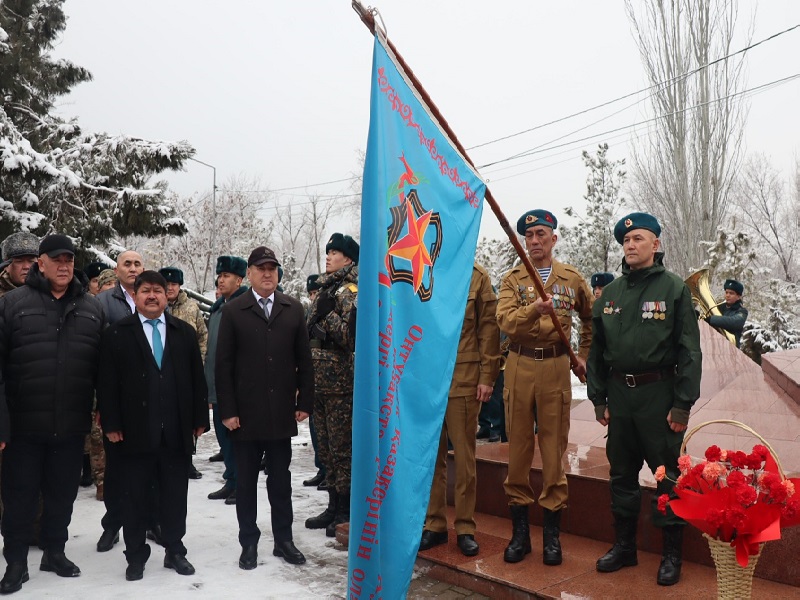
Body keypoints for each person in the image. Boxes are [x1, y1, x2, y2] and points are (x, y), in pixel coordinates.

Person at [588, 212, 702, 586]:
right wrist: (599, 398)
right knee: (621, 472)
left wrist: (682, 403)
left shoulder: (673, 290)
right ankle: (624, 547)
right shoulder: (612, 295)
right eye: (626, 241)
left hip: (659, 395)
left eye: (638, 238)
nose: (630, 245)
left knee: (667, 476)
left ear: (656, 244)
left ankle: (671, 554)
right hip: (620, 396)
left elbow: (689, 351)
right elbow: (597, 351)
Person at [0, 234, 104, 594]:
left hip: (71, 426)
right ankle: (15, 561)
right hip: (23, 426)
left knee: (62, 495)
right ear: (40, 263)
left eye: (69, 260)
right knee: (19, 496)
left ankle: (54, 552)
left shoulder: (92, 309)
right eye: (56, 259)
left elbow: (103, 370)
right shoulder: (12, 304)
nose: (64, 266)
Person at [96, 270, 209, 581]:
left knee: (175, 495)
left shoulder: (183, 332)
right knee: (135, 497)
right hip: (133, 433)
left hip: (175, 432)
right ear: (135, 295)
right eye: (145, 290)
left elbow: (197, 381)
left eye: (158, 291)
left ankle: (175, 550)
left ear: (166, 295)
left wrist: (200, 418)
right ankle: (135, 556)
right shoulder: (117, 334)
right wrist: (113, 423)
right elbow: (107, 384)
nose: (152, 296)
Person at [496, 209, 593, 566]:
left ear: (553, 238)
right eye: (529, 236)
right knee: (519, 450)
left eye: (541, 234)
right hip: (519, 366)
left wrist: (584, 355)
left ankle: (552, 536)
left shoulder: (571, 279)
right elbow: (506, 322)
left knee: (554, 449)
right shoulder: (512, 279)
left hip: (555, 368)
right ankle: (520, 534)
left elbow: (590, 317)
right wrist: (534, 310)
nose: (534, 241)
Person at [216, 246, 314, 569]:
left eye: (272, 268)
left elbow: (305, 361)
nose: (268, 273)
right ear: (250, 273)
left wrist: (305, 403)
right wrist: (227, 411)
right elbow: (223, 365)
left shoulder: (293, 309)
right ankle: (249, 542)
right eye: (261, 268)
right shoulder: (235, 311)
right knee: (245, 483)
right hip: (245, 417)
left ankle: (283, 540)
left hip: (280, 414)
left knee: (280, 481)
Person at [419, 263, 501, 556]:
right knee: (431, 459)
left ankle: (465, 527)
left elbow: (488, 329)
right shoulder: (422, 270)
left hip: (464, 378)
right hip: (428, 379)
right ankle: (435, 525)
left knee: (465, 458)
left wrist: (487, 376)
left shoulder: (476, 276)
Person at [304, 234, 358, 537]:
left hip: (340, 383)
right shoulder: (328, 287)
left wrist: (325, 318)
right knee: (325, 450)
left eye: (334, 252)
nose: (328, 257)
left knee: (342, 451)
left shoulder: (350, 290)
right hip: (319, 382)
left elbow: (350, 336)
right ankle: (332, 505)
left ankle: (345, 511)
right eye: (327, 252)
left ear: (348, 259)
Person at [95, 250, 145, 553]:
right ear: (117, 269)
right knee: (116, 467)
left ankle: (149, 522)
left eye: (138, 263)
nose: (133, 268)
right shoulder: (102, 303)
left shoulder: (153, 297)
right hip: (116, 398)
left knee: (149, 465)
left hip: (151, 398)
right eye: (127, 263)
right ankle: (112, 525)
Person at [205, 256, 249, 504]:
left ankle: (240, 484)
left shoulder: (242, 307)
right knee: (224, 439)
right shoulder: (218, 307)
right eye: (220, 276)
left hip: (234, 388)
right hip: (217, 386)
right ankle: (231, 480)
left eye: (227, 276)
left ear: (240, 279)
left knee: (236, 441)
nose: (221, 280)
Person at [159, 267, 209, 481]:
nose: (170, 288)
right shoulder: (155, 307)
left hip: (186, 371)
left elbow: (202, 337)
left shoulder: (191, 307)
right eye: (167, 284)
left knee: (186, 417)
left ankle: (188, 460)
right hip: (160, 370)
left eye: (174, 284)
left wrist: (199, 361)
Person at [302, 274, 327, 489]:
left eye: (315, 292)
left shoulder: (327, 307)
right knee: (315, 429)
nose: (313, 297)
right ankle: (322, 469)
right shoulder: (310, 312)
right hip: (314, 378)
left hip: (331, 379)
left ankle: (328, 472)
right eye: (310, 293)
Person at [705, 279, 748, 348]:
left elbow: (734, 322)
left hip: (731, 348)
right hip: (714, 345)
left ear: (738, 296)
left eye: (731, 293)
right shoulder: (717, 308)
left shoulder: (742, 311)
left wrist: (711, 319)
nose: (727, 295)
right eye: (726, 292)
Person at [0, 232, 39, 297]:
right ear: (6, 266)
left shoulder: (51, 293)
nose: (26, 267)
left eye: (31, 261)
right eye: (19, 261)